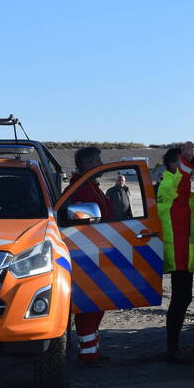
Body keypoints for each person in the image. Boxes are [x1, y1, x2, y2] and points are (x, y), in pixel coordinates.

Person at [157, 143, 194, 364]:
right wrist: (187, 163)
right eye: (180, 162)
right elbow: (182, 187)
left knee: (183, 298)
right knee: (180, 298)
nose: (184, 166)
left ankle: (174, 346)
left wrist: (185, 163)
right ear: (171, 164)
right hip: (177, 250)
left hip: (183, 249)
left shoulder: (173, 183)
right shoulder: (169, 184)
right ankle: (173, 348)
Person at [66, 146, 113, 366]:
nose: (101, 165)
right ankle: (88, 353)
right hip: (87, 254)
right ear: (88, 164)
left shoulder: (89, 186)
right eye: (98, 161)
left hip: (98, 251)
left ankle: (92, 349)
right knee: (89, 305)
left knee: (97, 304)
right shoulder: (81, 189)